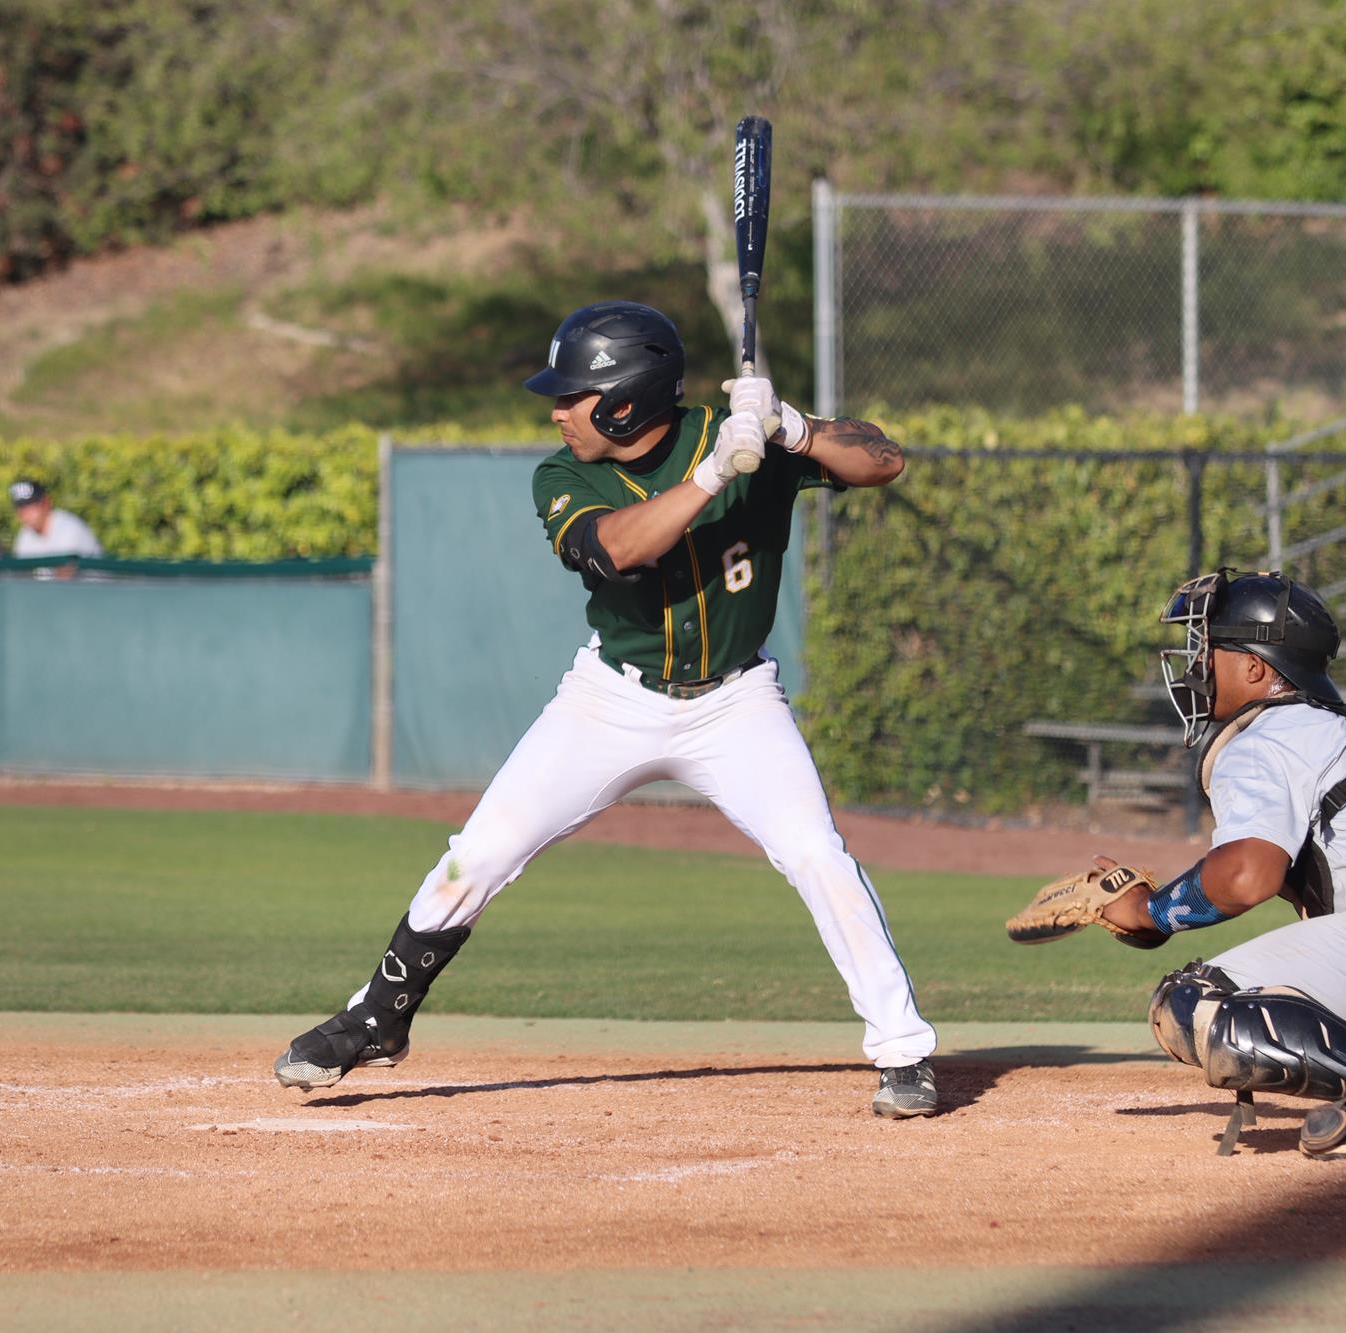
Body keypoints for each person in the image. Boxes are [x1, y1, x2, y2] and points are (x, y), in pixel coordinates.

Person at [273, 300, 940, 1117]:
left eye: (572, 395)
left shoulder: (739, 432)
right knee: (477, 852)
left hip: (737, 702)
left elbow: (885, 461)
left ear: (626, 400)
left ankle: (904, 1051)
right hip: (609, 698)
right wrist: (716, 473)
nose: (556, 411)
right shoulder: (563, 473)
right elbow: (619, 548)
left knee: (816, 854)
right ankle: (378, 1018)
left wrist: (791, 428)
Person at [1017, 569, 1346, 1158]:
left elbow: (1247, 875)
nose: (1196, 663)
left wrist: (1151, 912)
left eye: (1208, 647)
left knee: (1196, 1003)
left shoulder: (1267, 732)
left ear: (1256, 668)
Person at [9, 479, 103, 559]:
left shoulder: (69, 529)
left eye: (31, 506)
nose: (26, 514)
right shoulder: (25, 535)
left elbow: (64, 576)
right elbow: (20, 575)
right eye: (22, 508)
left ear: (46, 503)